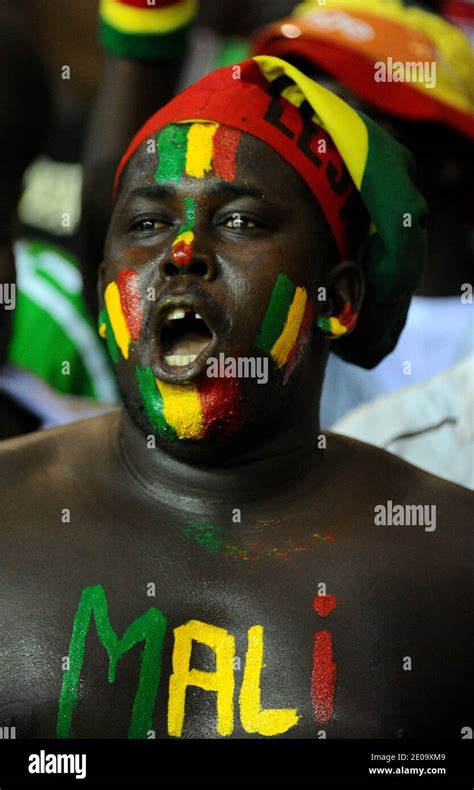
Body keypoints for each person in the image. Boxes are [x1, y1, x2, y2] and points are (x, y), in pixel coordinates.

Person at [0, 57, 471, 740]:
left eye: (243, 222)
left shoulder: (450, 563)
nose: (183, 252)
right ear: (103, 293)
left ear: (337, 298)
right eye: (147, 224)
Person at [253, 0, 474, 426]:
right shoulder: (273, 311)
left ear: (451, 159)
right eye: (289, 118)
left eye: (347, 121)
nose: (306, 146)